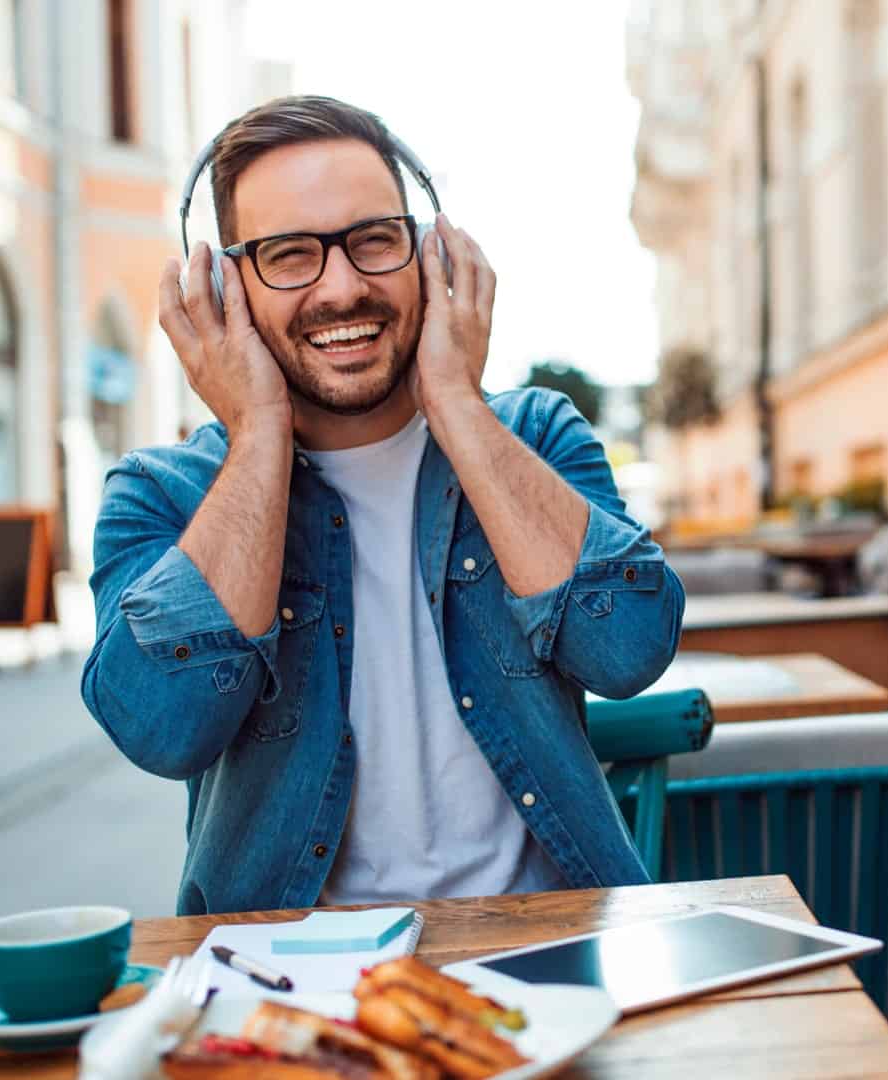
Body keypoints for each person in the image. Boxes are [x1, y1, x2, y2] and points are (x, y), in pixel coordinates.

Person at [80, 96, 684, 916]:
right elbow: (165, 727)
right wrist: (258, 429)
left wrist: (457, 404)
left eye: (373, 241)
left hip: (553, 949)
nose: (342, 287)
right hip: (281, 980)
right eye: (289, 255)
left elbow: (628, 652)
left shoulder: (537, 435)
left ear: (428, 257)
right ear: (225, 287)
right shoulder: (159, 494)